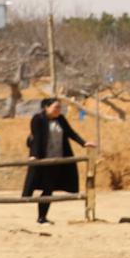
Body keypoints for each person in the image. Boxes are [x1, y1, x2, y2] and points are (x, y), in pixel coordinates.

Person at [24, 96, 86, 225]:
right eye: (56, 107)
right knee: (45, 187)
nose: (58, 110)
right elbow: (36, 137)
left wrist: (84, 143)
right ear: (46, 107)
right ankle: (41, 218)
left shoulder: (61, 119)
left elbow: (70, 133)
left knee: (49, 189)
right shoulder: (38, 119)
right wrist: (34, 155)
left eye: (60, 107)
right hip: (43, 159)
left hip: (58, 159)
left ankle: (42, 217)